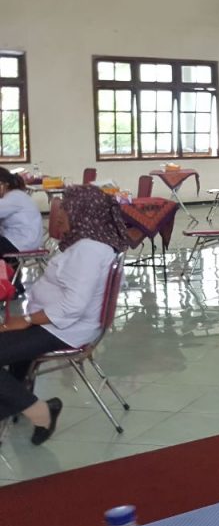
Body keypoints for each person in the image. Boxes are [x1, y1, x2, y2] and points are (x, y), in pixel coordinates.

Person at [0, 184, 129, 445]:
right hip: (57, 323)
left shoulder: (90, 250)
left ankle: (40, 412)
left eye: (66, 210)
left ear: (83, 213)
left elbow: (73, 306)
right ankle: (17, 401)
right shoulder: (90, 244)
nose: (58, 215)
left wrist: (26, 321)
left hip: (64, 329)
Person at [0, 168, 44, 274]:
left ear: (4, 184)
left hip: (20, 242)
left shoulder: (14, 198)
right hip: (18, 240)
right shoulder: (14, 196)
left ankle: (9, 277)